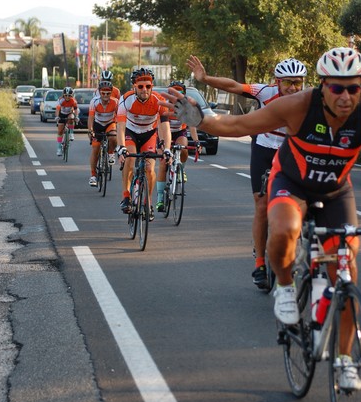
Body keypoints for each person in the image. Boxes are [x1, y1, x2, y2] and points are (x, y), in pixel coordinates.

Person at [168, 47, 361, 390]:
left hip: (335, 193)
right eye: (337, 88)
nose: (346, 96)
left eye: (354, 88)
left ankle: (345, 360)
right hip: (291, 182)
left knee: (346, 273)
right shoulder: (299, 106)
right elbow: (241, 124)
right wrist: (205, 121)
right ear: (323, 86)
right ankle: (285, 287)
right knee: (286, 229)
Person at [187, 55, 307, 291]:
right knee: (261, 205)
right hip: (264, 147)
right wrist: (205, 78)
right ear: (277, 81)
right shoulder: (264, 92)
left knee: (300, 202)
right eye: (288, 82)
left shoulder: (308, 99)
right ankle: (260, 263)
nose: (293, 87)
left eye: (298, 82)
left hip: (290, 150)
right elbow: (233, 86)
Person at [116, 67, 172, 221]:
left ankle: (148, 202)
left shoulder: (159, 101)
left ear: (152, 86)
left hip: (149, 134)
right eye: (140, 86)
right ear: (134, 87)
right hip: (130, 132)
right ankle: (126, 196)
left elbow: (165, 127)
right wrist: (120, 147)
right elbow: (120, 127)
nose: (144, 90)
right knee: (130, 158)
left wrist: (167, 148)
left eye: (148, 86)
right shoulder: (126, 99)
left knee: (149, 168)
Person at [155, 81, 202, 212]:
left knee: (184, 149)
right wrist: (162, 143)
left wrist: (197, 141)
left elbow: (192, 126)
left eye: (180, 93)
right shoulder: (165, 106)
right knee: (163, 163)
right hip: (164, 133)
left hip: (179, 132)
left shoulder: (186, 108)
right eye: (173, 92)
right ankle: (159, 198)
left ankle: (180, 168)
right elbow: (160, 126)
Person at [87, 83, 119, 186]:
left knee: (114, 137)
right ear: (99, 92)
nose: (105, 95)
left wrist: (120, 130)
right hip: (98, 124)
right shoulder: (94, 102)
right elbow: (91, 118)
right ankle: (93, 175)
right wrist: (90, 130)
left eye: (108, 93)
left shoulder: (115, 102)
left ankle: (110, 152)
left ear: (111, 93)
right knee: (95, 149)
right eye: (103, 93)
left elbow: (120, 118)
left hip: (110, 123)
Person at [55, 87, 79, 156]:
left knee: (71, 117)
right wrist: (57, 117)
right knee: (60, 131)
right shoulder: (60, 100)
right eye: (66, 95)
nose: (67, 97)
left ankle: (71, 133)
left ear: (72, 95)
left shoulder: (73, 101)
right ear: (63, 95)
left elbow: (76, 109)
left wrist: (76, 117)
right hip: (62, 114)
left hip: (69, 114)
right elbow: (57, 110)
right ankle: (59, 148)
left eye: (69, 95)